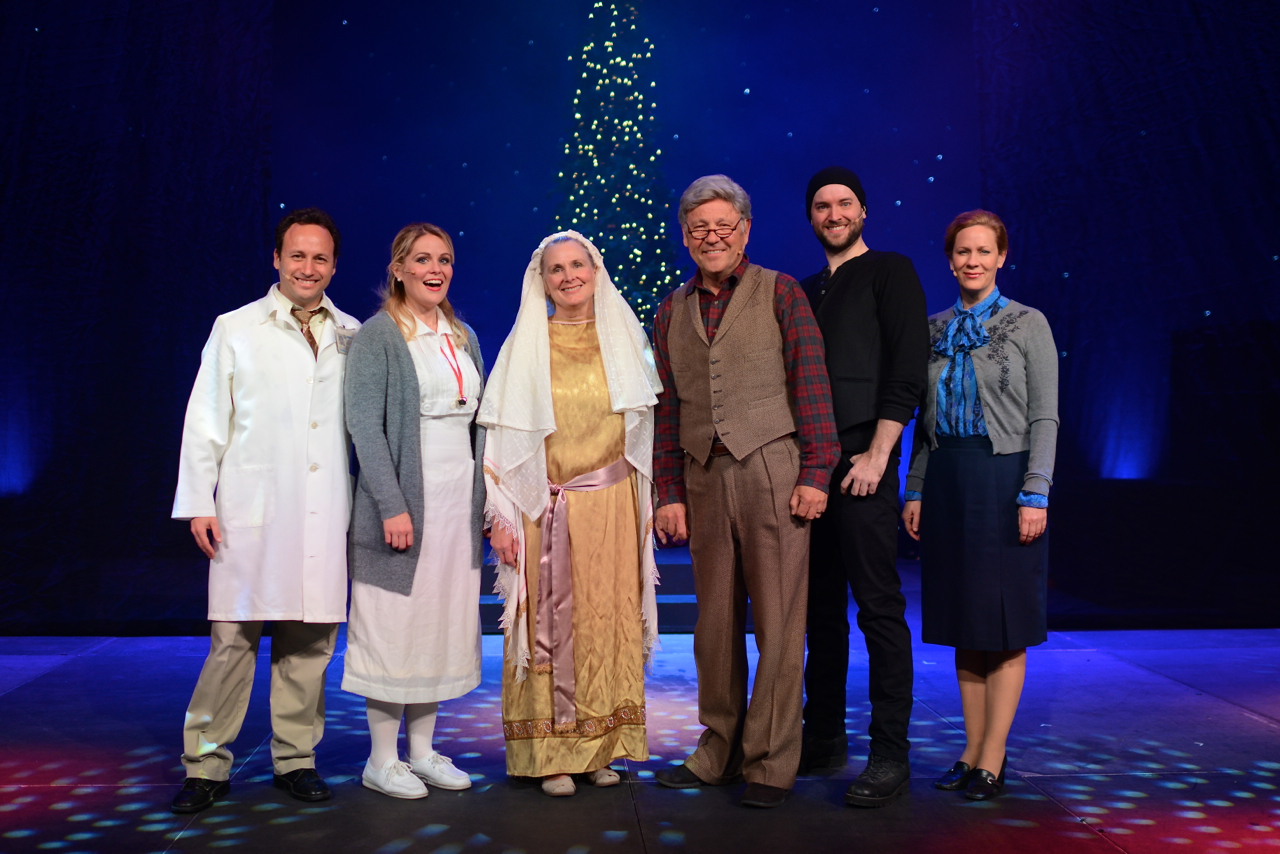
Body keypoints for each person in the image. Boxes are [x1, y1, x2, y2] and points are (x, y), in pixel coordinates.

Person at [652, 175, 840, 809]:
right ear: (685, 237)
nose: (711, 238)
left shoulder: (781, 291)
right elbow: (667, 413)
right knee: (714, 625)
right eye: (699, 229)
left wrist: (817, 473)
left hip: (774, 472)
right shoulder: (670, 309)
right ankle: (719, 748)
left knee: (781, 627)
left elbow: (811, 385)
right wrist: (668, 491)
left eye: (723, 228)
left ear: (745, 232)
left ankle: (769, 760)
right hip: (704, 476)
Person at [171, 208, 361, 813]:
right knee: (231, 643)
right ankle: (204, 764)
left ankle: (295, 760)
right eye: (297, 256)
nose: (309, 267)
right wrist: (199, 500)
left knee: (309, 646)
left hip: (322, 509)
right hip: (251, 507)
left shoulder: (352, 333)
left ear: (334, 265)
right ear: (276, 260)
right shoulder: (236, 327)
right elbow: (205, 421)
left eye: (320, 257)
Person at [479, 231, 661, 798]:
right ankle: (549, 754)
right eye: (555, 269)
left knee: (606, 625)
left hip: (610, 506)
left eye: (577, 264)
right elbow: (503, 440)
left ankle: (600, 746)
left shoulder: (624, 340)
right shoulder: (525, 344)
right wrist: (502, 517)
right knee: (549, 629)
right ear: (543, 280)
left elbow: (641, 433)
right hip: (546, 507)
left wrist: (644, 508)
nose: (568, 276)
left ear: (594, 270)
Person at [902, 209, 1058, 801]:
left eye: (983, 251)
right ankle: (970, 752)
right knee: (966, 621)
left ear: (1001, 258)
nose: (972, 260)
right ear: (950, 260)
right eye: (962, 252)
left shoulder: (1027, 323)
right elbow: (924, 419)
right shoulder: (934, 328)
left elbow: (1046, 413)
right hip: (948, 477)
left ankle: (994, 756)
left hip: (1006, 477)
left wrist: (1035, 490)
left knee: (1004, 621)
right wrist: (914, 488)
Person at [796, 167, 929, 807]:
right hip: (810, 471)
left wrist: (879, 457)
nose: (833, 213)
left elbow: (905, 372)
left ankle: (889, 753)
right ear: (811, 218)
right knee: (819, 612)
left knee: (877, 609)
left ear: (864, 212)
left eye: (844, 202)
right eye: (822, 205)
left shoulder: (891, 272)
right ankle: (820, 738)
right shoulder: (802, 289)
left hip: (863, 464)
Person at [342, 223, 487, 799]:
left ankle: (422, 753)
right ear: (397, 268)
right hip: (402, 502)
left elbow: (478, 424)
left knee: (438, 624)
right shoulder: (378, 335)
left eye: (445, 259)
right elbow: (365, 428)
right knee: (394, 625)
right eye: (422, 259)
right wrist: (391, 506)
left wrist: (483, 502)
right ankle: (381, 760)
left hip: (456, 503)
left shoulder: (464, 334)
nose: (436, 268)